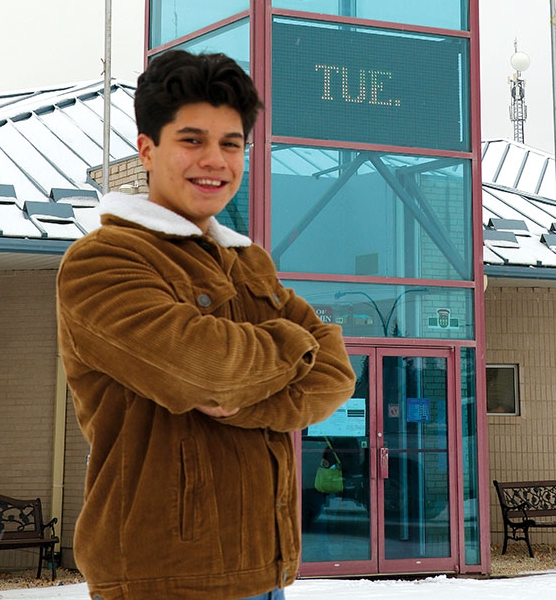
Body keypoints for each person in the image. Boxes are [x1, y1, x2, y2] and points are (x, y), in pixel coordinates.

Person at [56, 50, 356, 600]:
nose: (214, 160)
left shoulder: (248, 262)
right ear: (147, 149)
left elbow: (335, 375)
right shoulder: (103, 261)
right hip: (163, 579)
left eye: (231, 143)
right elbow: (208, 373)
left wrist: (246, 394)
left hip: (264, 572)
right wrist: (294, 341)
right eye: (192, 140)